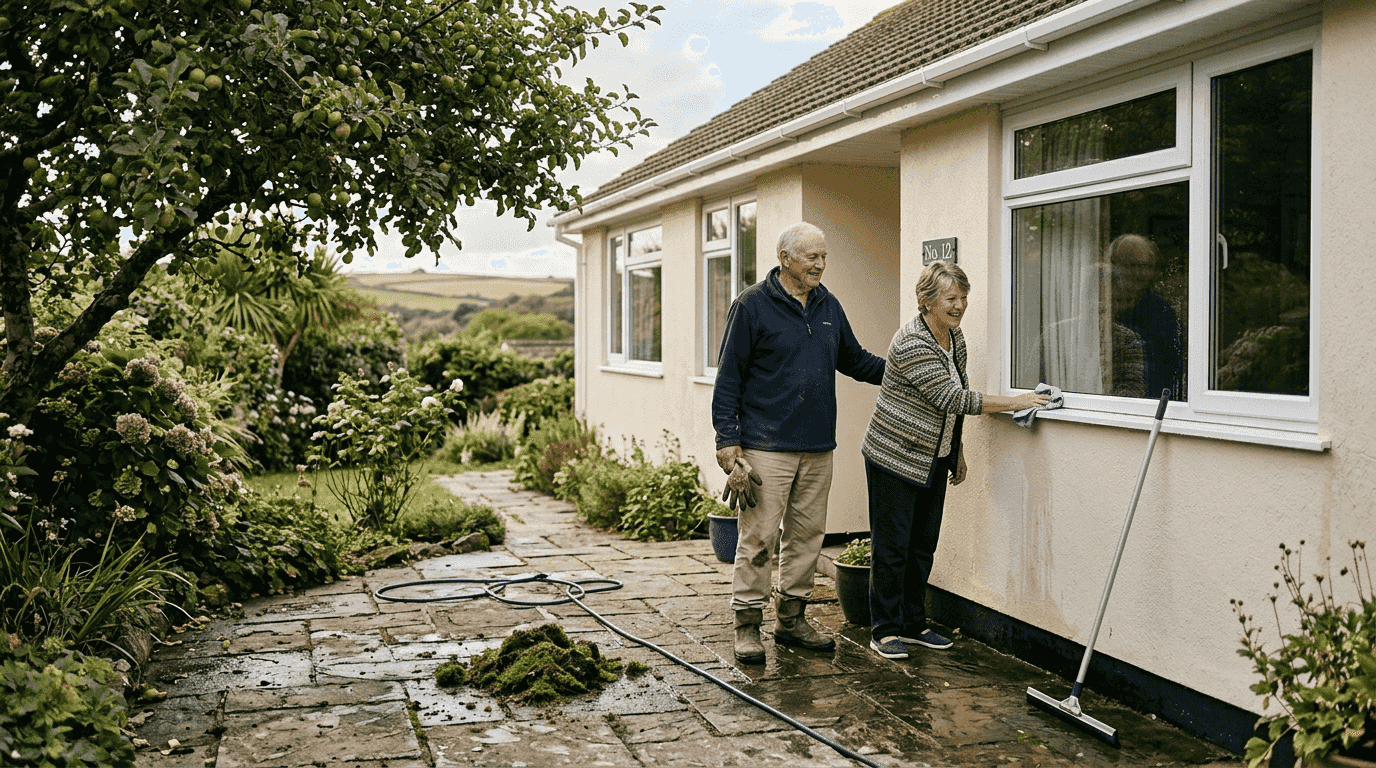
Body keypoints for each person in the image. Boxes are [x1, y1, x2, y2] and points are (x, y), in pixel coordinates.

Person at [712, 221, 886, 665]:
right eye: (812, 256)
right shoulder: (751, 305)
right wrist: (728, 442)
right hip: (766, 447)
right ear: (785, 258)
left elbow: (855, 360)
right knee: (758, 539)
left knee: (807, 537)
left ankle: (791, 620)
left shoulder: (828, 304)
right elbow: (728, 378)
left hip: (817, 446)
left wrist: (903, 372)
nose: (820, 264)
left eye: (824, 256)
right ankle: (747, 627)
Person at [861, 261, 1050, 660]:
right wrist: (1014, 402)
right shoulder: (913, 342)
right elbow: (954, 398)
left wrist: (955, 451)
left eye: (964, 298)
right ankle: (884, 630)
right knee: (892, 548)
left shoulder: (954, 337)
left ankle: (912, 624)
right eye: (951, 299)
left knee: (922, 545)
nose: (960, 306)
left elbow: (955, 398)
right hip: (893, 456)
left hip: (933, 454)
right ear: (927, 301)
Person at [1107, 234, 1183, 399]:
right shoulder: (1102, 303)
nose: (1141, 273)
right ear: (1114, 266)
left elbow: (1171, 367)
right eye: (1133, 265)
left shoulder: (1161, 310)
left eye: (1148, 266)